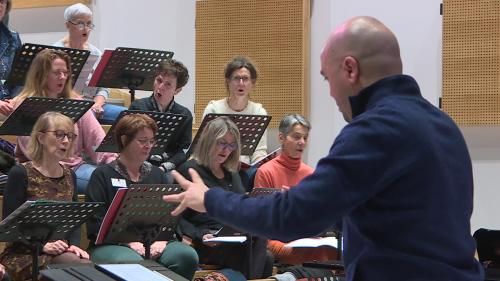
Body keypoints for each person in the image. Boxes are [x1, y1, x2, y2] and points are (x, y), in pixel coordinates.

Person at [164, 16, 485, 281]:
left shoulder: (375, 129)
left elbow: (292, 216)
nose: (330, 92)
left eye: (327, 77)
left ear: (350, 69)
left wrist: (209, 198)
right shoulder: (443, 125)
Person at [85, 114, 198, 281]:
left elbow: (169, 215)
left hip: (152, 242)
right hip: (111, 244)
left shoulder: (156, 174)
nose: (148, 146)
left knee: (185, 255)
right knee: (133, 262)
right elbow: (96, 222)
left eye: (151, 141)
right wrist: (127, 242)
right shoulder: (102, 175)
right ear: (124, 140)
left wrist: (163, 240)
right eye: (142, 141)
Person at [176, 116, 271, 279]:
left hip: (231, 235)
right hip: (206, 239)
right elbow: (175, 216)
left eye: (231, 145)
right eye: (221, 142)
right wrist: (199, 234)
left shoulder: (232, 173)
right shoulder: (189, 170)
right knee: (262, 255)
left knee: (263, 246)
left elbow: (241, 208)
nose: (226, 150)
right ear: (208, 141)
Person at [1, 112, 90, 280]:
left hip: (60, 251)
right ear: (41, 138)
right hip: (23, 254)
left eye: (70, 136)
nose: (65, 141)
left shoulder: (71, 175)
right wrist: (43, 246)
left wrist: (74, 246)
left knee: (80, 264)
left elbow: (74, 221)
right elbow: (9, 226)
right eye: (59, 135)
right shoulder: (21, 173)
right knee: (79, 269)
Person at [12, 49, 116, 194]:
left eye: (65, 73)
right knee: (104, 183)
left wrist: (115, 165)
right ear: (41, 74)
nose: (62, 77)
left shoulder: (75, 101)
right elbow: (33, 150)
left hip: (76, 167)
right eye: (56, 73)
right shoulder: (25, 105)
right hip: (41, 171)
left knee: (114, 179)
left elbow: (96, 137)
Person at [254, 114, 337, 265]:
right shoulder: (266, 171)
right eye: (297, 137)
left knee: (332, 249)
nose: (302, 143)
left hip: (305, 237)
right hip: (276, 239)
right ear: (281, 138)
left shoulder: (311, 173)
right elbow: (264, 220)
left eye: (305, 138)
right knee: (298, 253)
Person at [54, 3, 126, 124]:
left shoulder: (95, 53)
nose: (86, 28)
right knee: (86, 116)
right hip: (66, 104)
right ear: (67, 25)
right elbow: (50, 85)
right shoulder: (55, 52)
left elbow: (103, 87)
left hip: (93, 104)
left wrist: (97, 104)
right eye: (81, 23)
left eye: (89, 24)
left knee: (129, 116)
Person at [129, 59, 192, 172]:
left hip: (168, 167)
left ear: (177, 90)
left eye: (168, 84)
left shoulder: (185, 114)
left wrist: (166, 167)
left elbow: (183, 151)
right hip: (139, 164)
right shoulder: (137, 107)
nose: (160, 87)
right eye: (159, 80)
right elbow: (130, 144)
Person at [202, 56, 268, 165]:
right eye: (236, 78)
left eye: (245, 78)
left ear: (252, 82)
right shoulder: (213, 109)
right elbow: (205, 146)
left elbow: (259, 150)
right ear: (228, 81)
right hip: (216, 166)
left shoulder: (259, 112)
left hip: (245, 170)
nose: (241, 83)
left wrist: (257, 168)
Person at [0, 0, 21, 116]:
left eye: (3, 1)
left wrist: (15, 99)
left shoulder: (13, 38)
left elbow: (20, 79)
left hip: (9, 105)